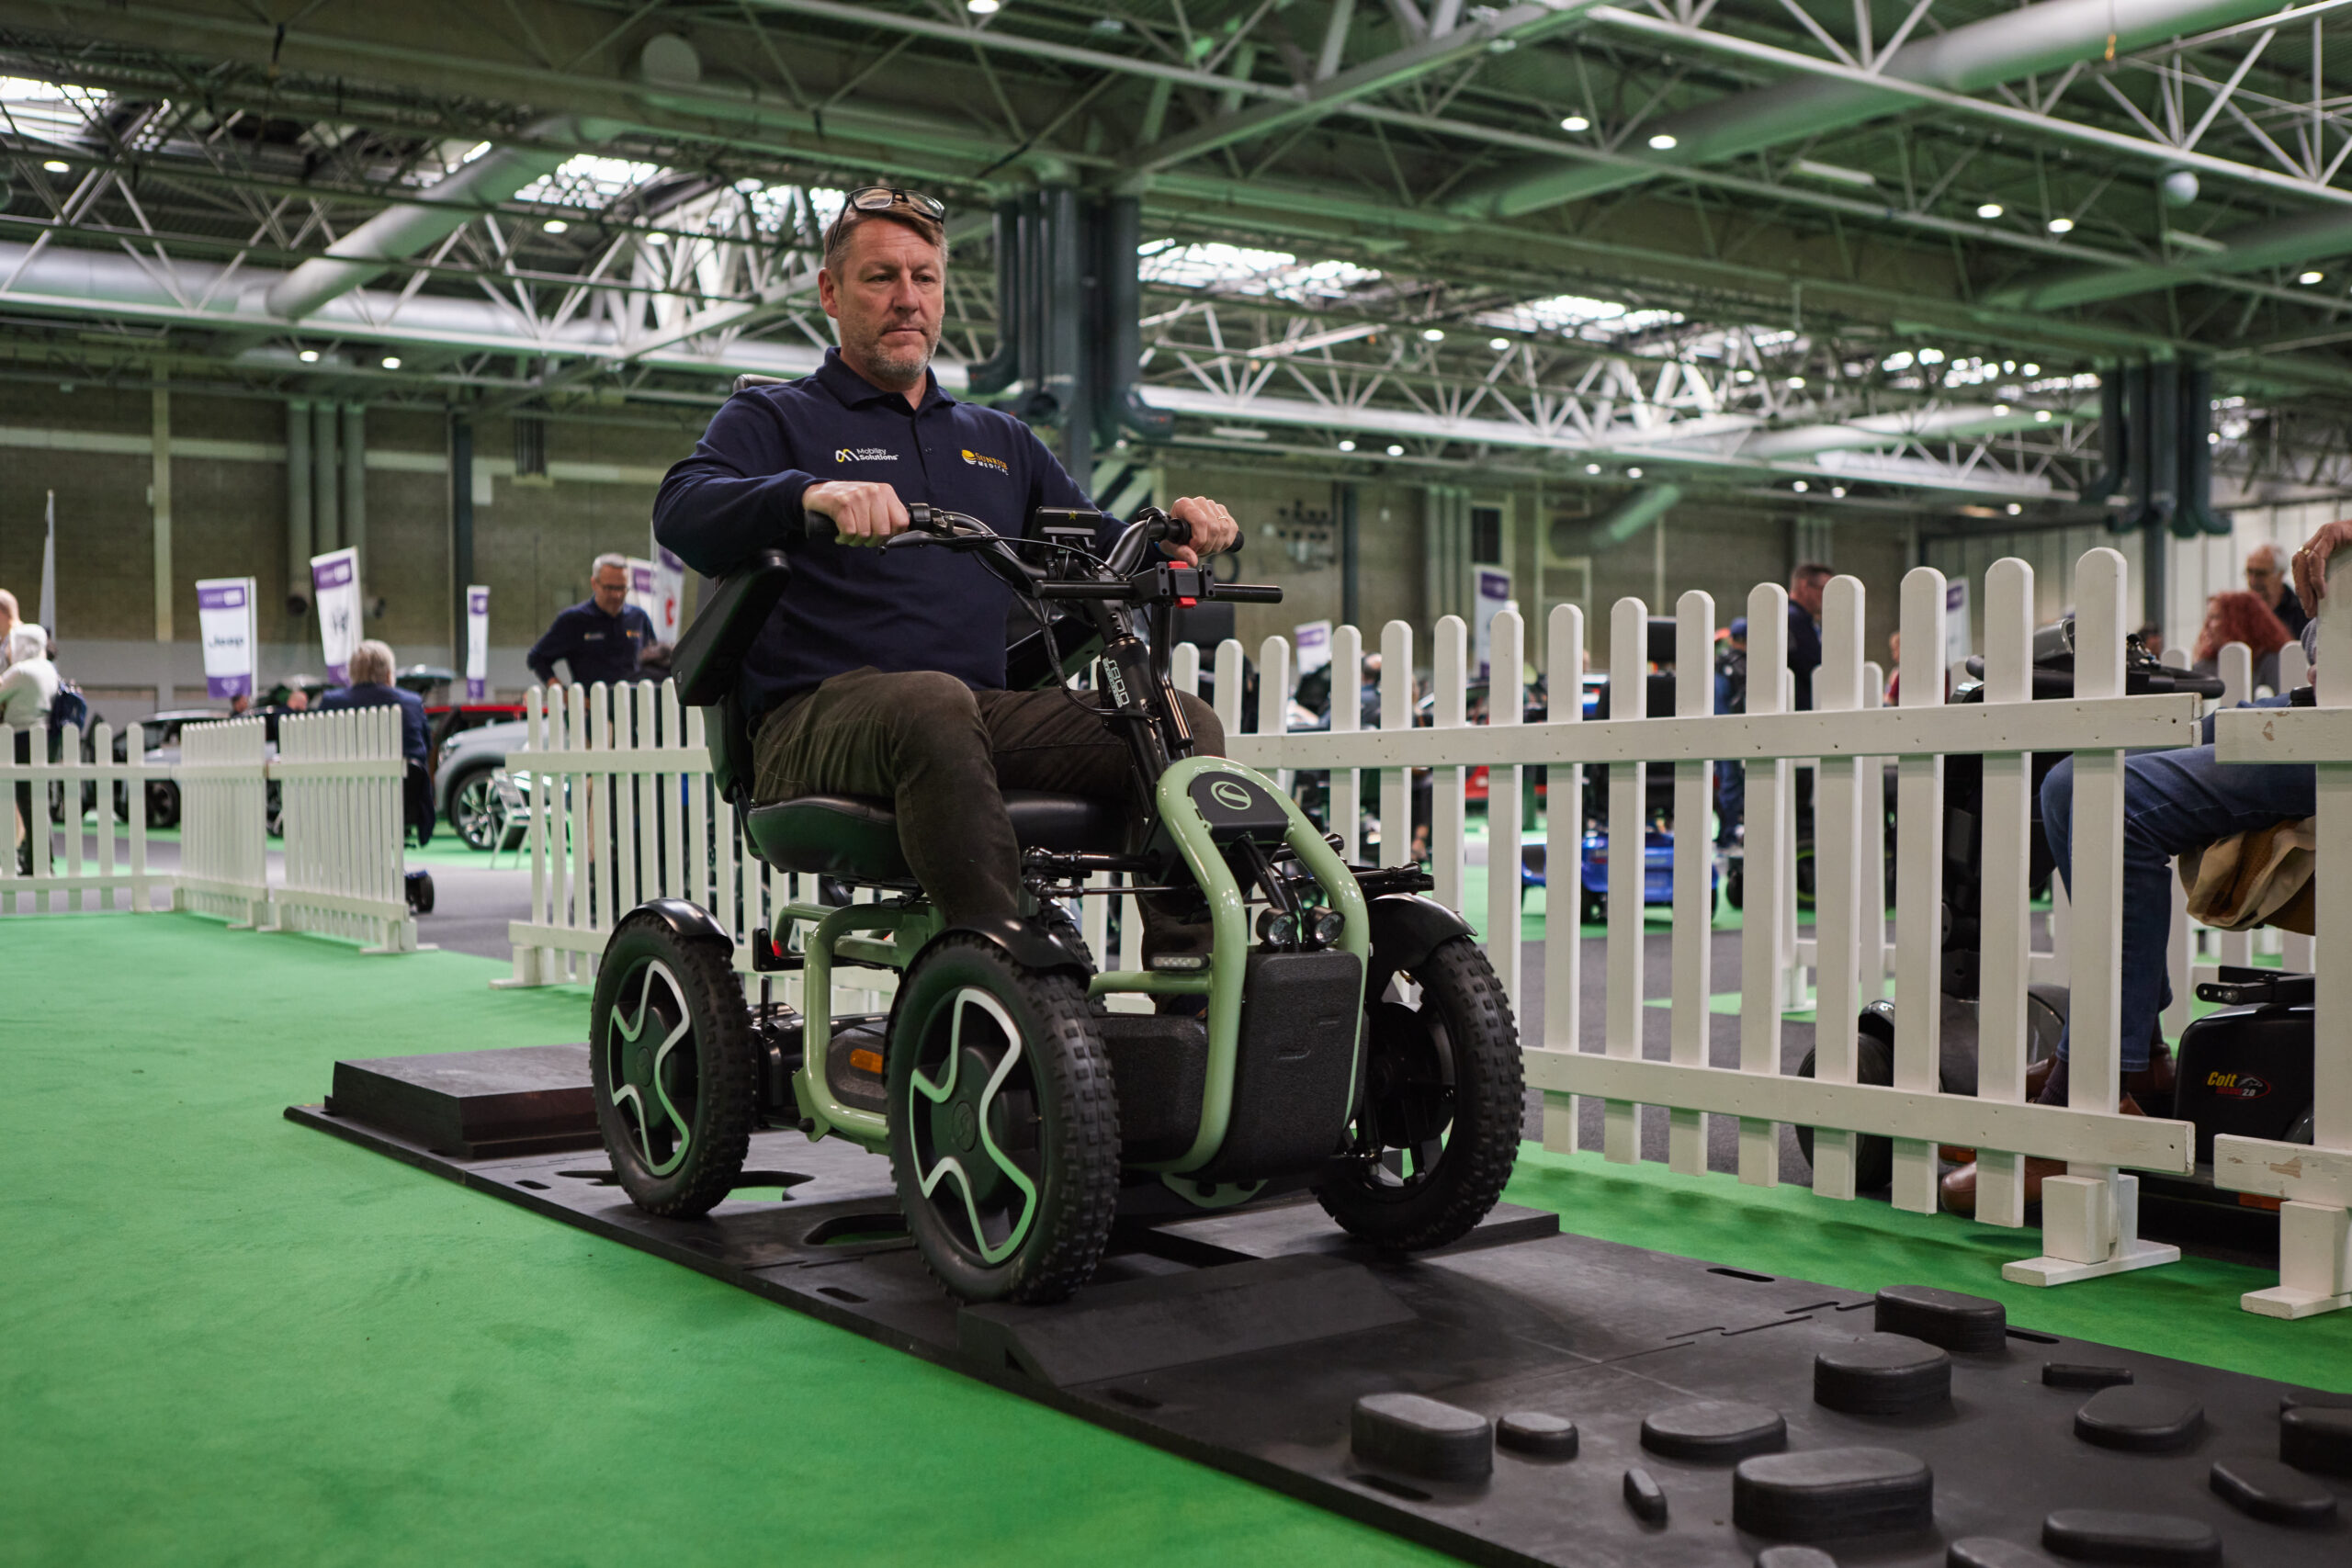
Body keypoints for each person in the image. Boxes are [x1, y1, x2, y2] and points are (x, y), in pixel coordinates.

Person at [651, 185, 1239, 941]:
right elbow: (682, 508)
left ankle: (1191, 981)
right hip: (812, 722)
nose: (907, 299)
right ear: (831, 292)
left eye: (923, 278)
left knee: (1177, 719)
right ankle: (997, 955)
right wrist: (810, 495)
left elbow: (1096, 541)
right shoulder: (772, 418)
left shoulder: (998, 441)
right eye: (880, 277)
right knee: (932, 701)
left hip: (970, 714)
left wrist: (1171, 534)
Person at [1940, 525, 2345, 1214]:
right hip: (2314, 705)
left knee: (2093, 796)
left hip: (2331, 721)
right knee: (2085, 780)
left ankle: (2095, 1086)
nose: (2220, 618)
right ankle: (2137, 1060)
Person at [527, 554, 654, 689]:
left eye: (622, 588)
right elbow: (537, 658)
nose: (616, 595)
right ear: (594, 583)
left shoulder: (639, 618)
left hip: (635, 705)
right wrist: (563, 693)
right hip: (591, 707)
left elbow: (656, 662)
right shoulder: (574, 620)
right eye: (609, 588)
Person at [3, 622, 59, 872]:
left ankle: (35, 860)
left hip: (22, 737)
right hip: (44, 737)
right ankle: (42, 858)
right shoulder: (49, 669)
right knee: (39, 799)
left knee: (26, 799)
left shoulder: (23, 671)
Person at [317, 640, 429, 764]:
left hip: (346, 781)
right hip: (405, 782)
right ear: (388, 674)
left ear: (351, 673)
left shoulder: (331, 703)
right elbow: (425, 748)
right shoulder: (411, 703)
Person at [2191, 589, 2294, 694]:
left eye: (2215, 617)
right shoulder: (2203, 668)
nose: (2207, 624)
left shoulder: (2270, 663)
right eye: (2209, 617)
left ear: (2241, 623)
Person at [1787, 562, 1832, 712]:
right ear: (1804, 586)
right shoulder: (1795, 620)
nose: (1827, 596)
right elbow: (1813, 664)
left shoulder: (1804, 620)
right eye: (1824, 589)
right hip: (1799, 709)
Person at [2245, 541, 2309, 638]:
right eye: (2249, 572)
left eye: (2261, 574)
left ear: (2280, 574)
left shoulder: (2304, 612)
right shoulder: (2241, 611)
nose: (2253, 581)